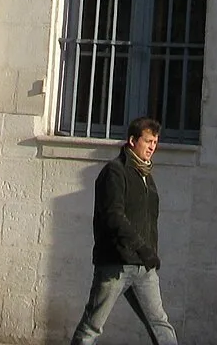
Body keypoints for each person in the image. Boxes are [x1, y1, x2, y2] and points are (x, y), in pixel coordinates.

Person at [70, 117, 179, 345]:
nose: (152, 147)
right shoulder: (115, 172)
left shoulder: (146, 176)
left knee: (160, 325)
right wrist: (142, 247)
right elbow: (114, 217)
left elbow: (148, 220)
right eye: (148, 141)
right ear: (132, 141)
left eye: (155, 142)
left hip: (143, 266)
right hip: (115, 265)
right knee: (92, 327)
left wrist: (149, 253)